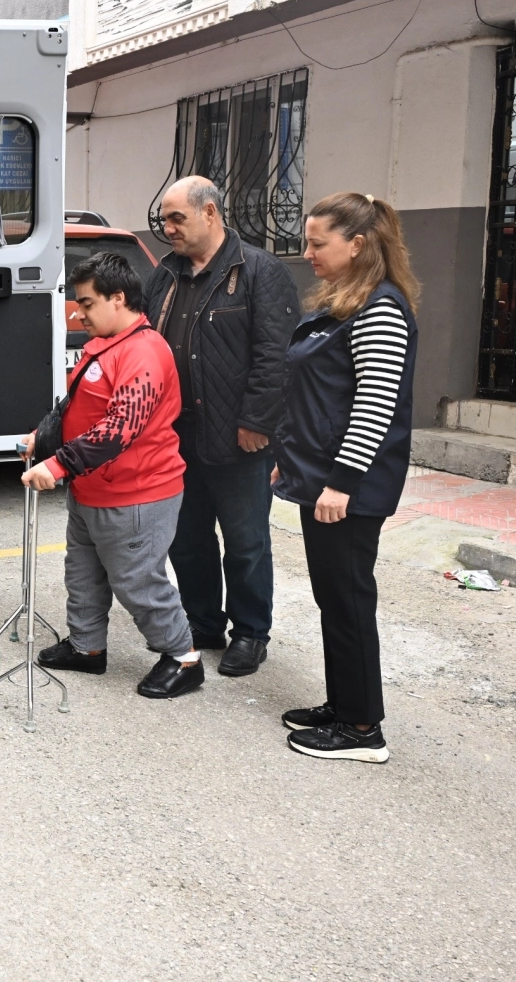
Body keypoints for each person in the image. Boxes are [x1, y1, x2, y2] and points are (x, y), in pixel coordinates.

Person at [274, 192, 419, 763]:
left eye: (318, 243)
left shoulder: (380, 308)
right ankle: (343, 705)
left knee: (349, 601)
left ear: (356, 245)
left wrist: (341, 483)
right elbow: (319, 396)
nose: (308, 253)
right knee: (333, 598)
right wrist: (292, 458)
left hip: (348, 489)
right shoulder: (346, 303)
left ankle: (362, 729)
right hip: (322, 478)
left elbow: (374, 406)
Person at [28, 252, 204, 699]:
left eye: (87, 303)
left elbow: (118, 428)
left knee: (138, 582)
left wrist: (58, 464)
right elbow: (80, 405)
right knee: (82, 573)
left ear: (118, 298)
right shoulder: (106, 343)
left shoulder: (143, 352)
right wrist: (44, 437)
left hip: (135, 493)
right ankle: (87, 647)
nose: (78, 313)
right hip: (93, 487)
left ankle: (183, 658)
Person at [146, 176, 299, 677]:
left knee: (246, 541)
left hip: (239, 436)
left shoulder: (259, 270)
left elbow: (276, 355)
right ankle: (203, 622)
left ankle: (251, 633)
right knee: (186, 537)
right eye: (164, 220)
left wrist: (257, 420)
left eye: (177, 218)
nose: (168, 229)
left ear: (209, 212)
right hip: (176, 434)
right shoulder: (165, 274)